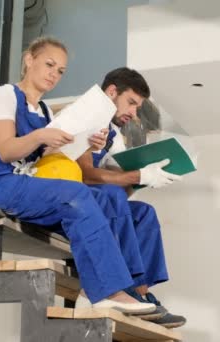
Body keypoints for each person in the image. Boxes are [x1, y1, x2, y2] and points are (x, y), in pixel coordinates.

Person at [0, 37, 155, 314]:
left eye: (61, 70)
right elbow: (6, 151)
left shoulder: (43, 111)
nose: (54, 74)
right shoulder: (5, 95)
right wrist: (42, 135)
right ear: (29, 60)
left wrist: (86, 143)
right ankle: (107, 289)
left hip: (24, 181)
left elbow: (44, 157)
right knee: (75, 193)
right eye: (49, 64)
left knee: (105, 200)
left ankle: (102, 290)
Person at [76, 67, 187, 328]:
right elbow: (87, 175)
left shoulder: (113, 135)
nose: (133, 113)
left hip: (100, 199)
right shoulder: (83, 117)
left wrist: (146, 177)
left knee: (144, 212)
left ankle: (140, 292)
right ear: (112, 92)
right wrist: (138, 176)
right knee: (112, 194)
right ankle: (120, 288)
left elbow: (122, 191)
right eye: (131, 103)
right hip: (73, 198)